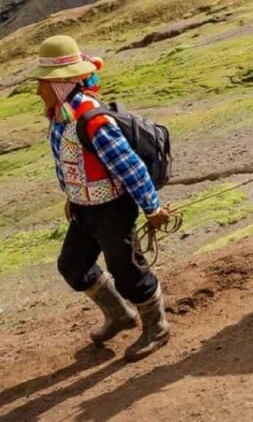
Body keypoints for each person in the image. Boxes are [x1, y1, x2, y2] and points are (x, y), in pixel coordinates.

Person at [31, 34, 171, 361]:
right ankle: (120, 314)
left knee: (129, 273)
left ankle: (157, 327)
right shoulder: (62, 116)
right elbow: (69, 163)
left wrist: (152, 208)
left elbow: (129, 166)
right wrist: (72, 196)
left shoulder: (93, 120)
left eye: (43, 83)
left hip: (112, 211)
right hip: (84, 209)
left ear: (61, 83)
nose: (38, 90)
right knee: (72, 266)